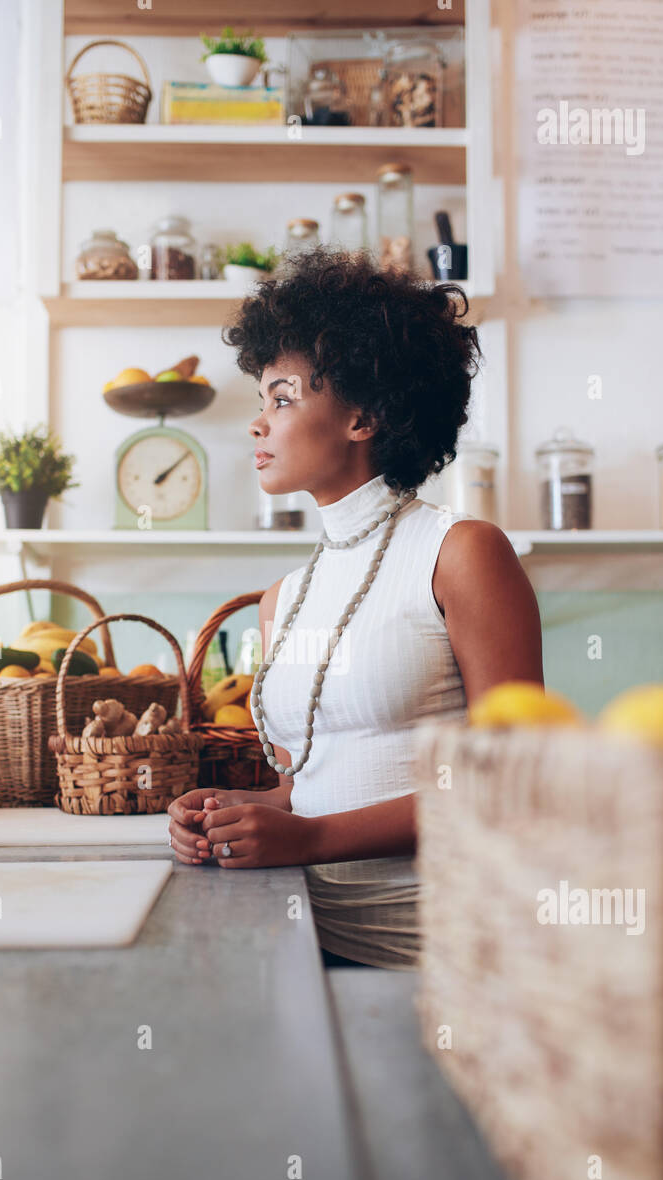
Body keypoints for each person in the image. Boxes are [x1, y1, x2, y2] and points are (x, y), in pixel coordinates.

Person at [167, 249, 543, 969]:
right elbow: (309, 785)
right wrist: (235, 811)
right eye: (261, 400)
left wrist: (309, 839)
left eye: (282, 397)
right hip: (303, 940)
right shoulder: (284, 598)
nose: (258, 424)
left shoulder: (462, 553)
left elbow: (510, 782)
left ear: (363, 416)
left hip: (438, 957)